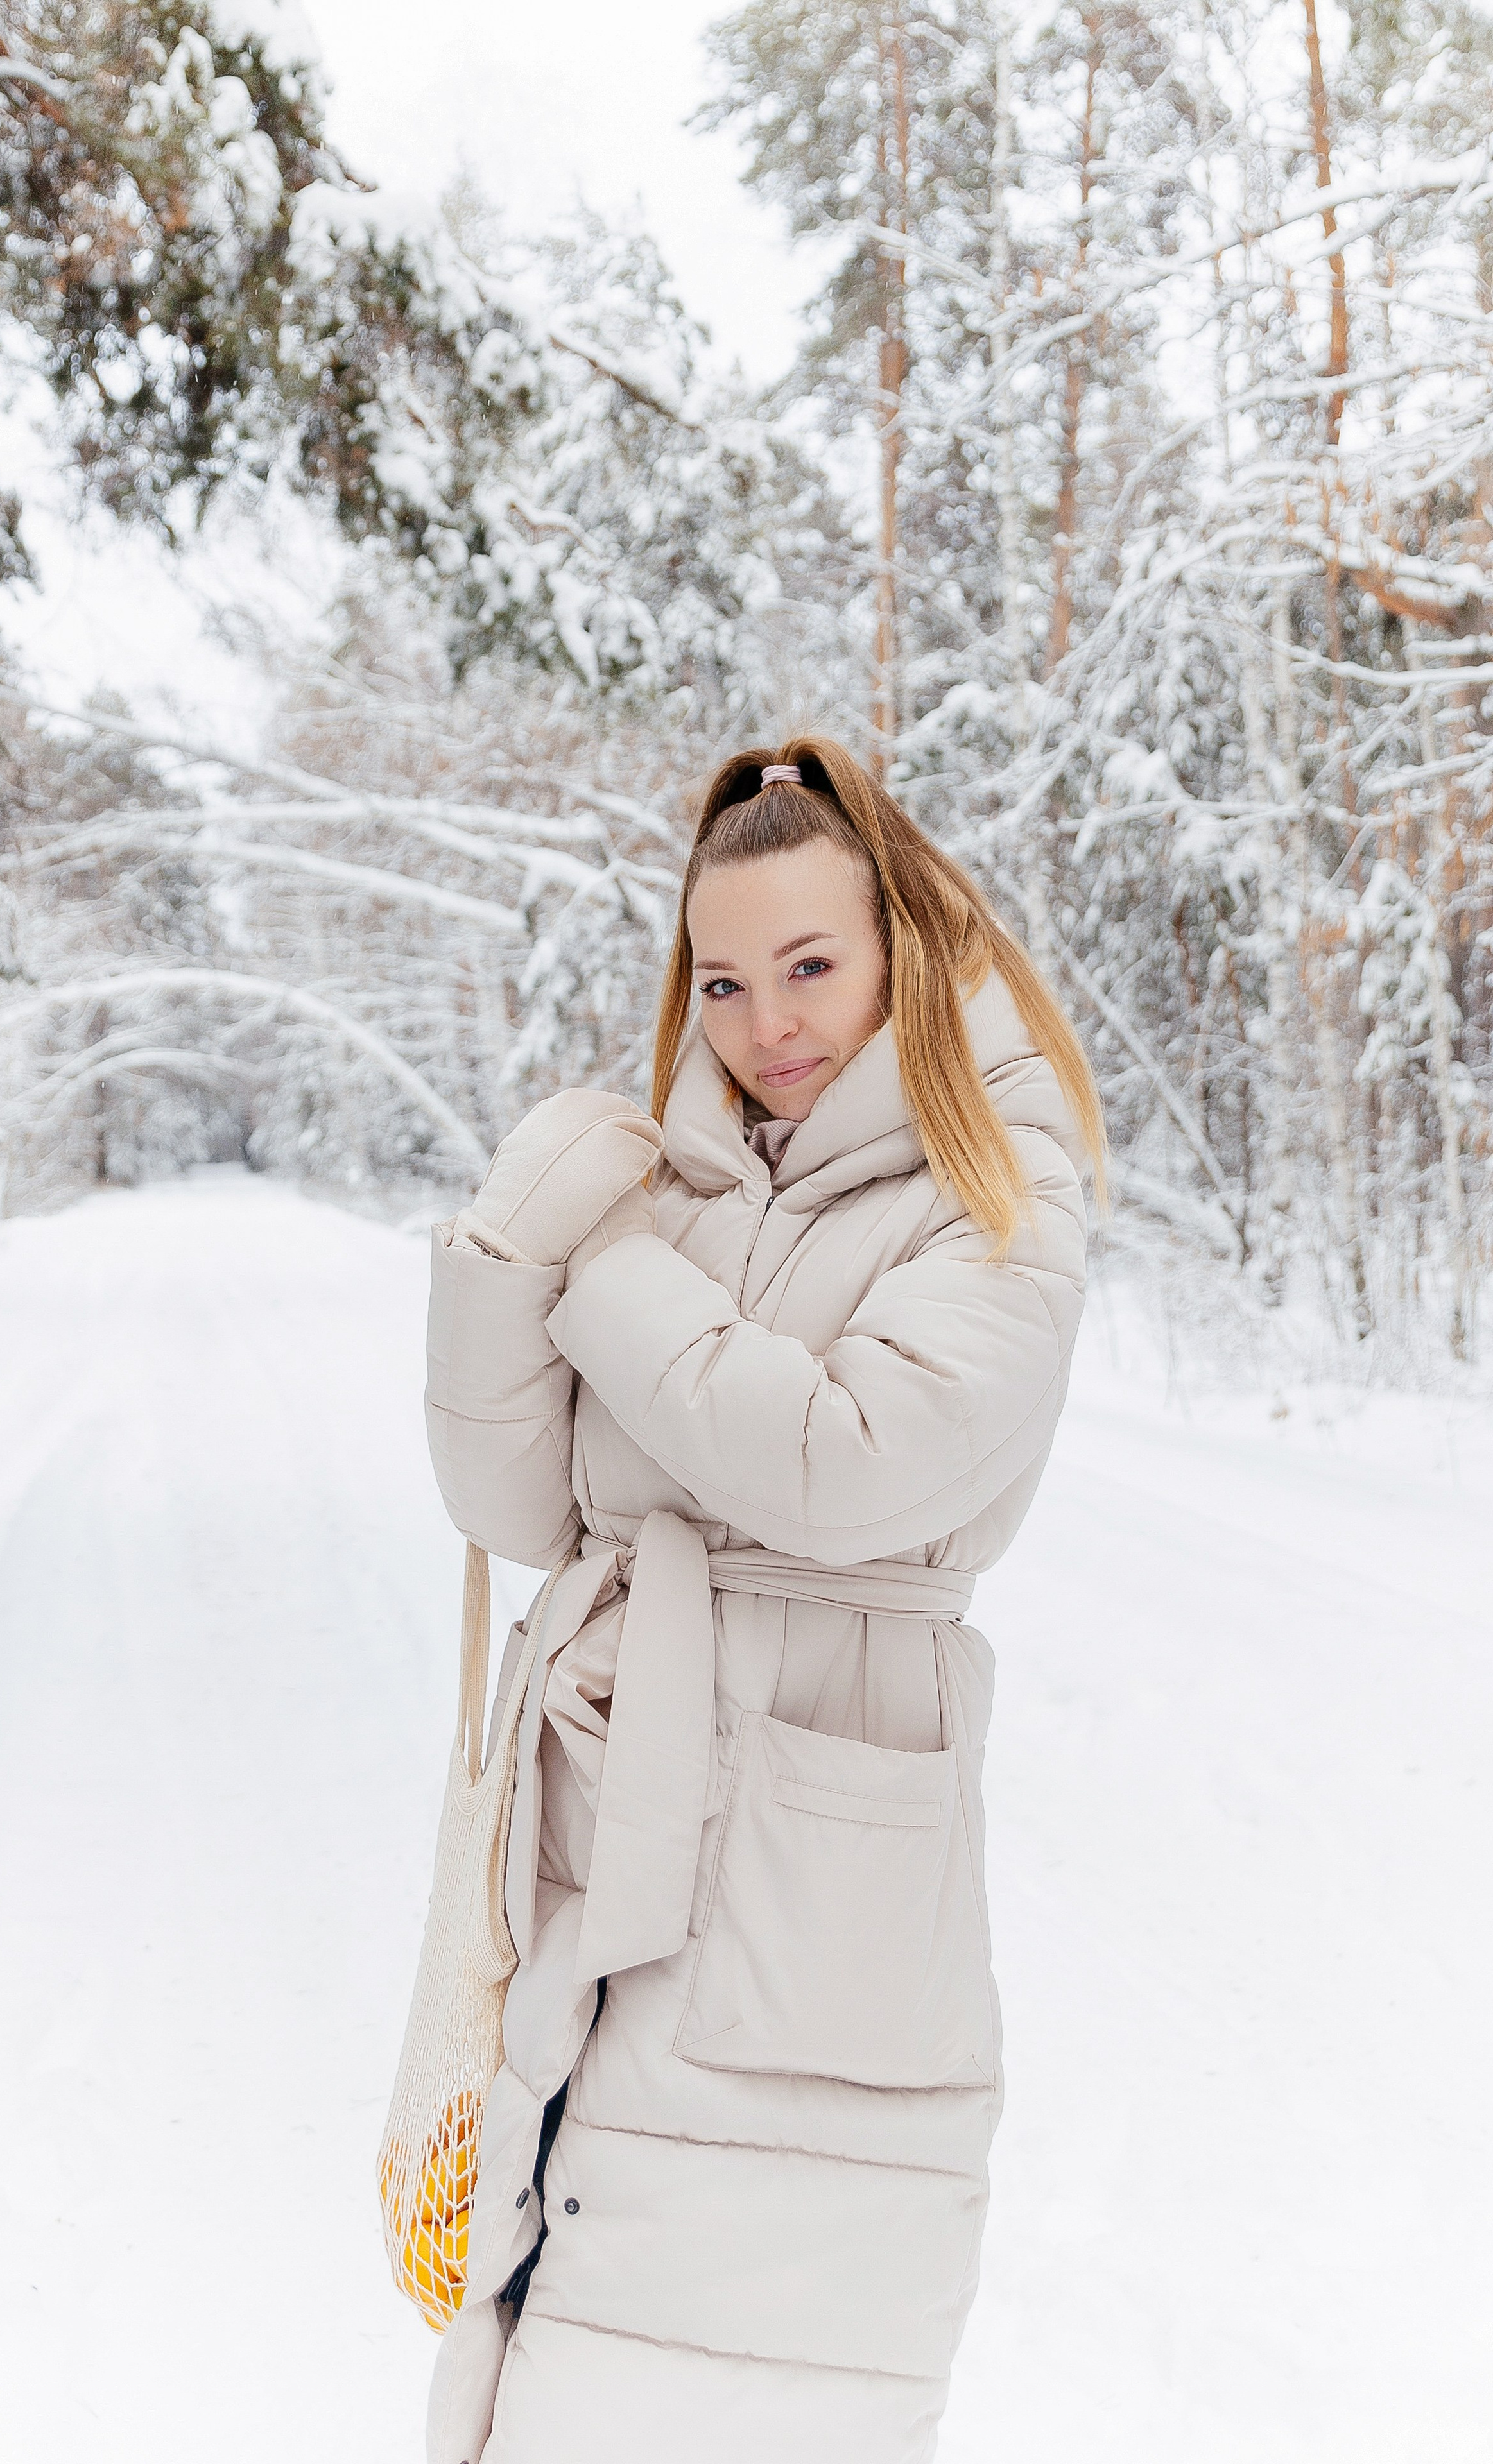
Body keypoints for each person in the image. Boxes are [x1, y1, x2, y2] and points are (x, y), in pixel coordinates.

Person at [422, 737, 1104, 2463]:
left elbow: (843, 1466)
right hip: (608, 1833)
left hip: (812, 1876)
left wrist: (609, 1274)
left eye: (811, 965)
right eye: (722, 981)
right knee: (555, 2328)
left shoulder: (999, 1194)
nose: (765, 1022)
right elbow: (517, 1508)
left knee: (749, 2374)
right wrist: (506, 1270)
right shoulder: (690, 1178)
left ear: (904, 947)